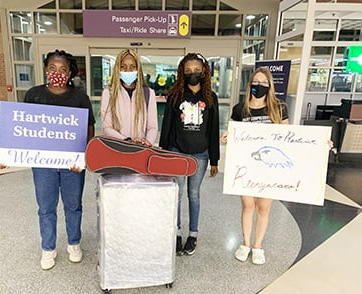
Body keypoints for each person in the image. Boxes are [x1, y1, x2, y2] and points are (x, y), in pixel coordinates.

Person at [23, 50, 95, 270]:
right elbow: (23, 127)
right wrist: (9, 152)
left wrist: (83, 156)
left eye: (63, 69)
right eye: (53, 68)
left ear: (70, 72)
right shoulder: (34, 95)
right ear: (46, 69)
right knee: (46, 207)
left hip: (72, 165)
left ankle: (74, 243)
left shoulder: (79, 97)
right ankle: (48, 248)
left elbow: (89, 128)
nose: (57, 72)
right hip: (44, 164)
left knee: (73, 206)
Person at [221, 67, 289, 265]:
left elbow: (289, 138)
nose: (259, 86)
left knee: (263, 208)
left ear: (270, 86)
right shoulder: (240, 109)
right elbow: (232, 133)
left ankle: (258, 246)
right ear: (250, 84)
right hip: (246, 166)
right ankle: (245, 243)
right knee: (248, 206)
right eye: (256, 82)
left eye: (263, 83)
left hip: (270, 169)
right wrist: (227, 136)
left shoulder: (279, 108)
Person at [159, 53, 220, 256]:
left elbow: (213, 129)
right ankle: (175, 232)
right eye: (188, 71)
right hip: (177, 151)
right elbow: (167, 126)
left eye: (196, 70)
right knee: (175, 194)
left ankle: (193, 234)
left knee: (193, 194)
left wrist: (215, 159)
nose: (192, 74)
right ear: (182, 73)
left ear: (204, 71)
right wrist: (163, 155)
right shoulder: (175, 96)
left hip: (200, 154)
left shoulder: (211, 98)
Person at [101, 49, 158, 145]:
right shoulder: (109, 93)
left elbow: (152, 127)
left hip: (141, 149)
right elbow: (107, 127)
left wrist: (147, 142)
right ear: (117, 69)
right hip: (117, 147)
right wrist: (127, 141)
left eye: (132, 67)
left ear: (138, 69)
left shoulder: (148, 93)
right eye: (123, 67)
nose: (128, 70)